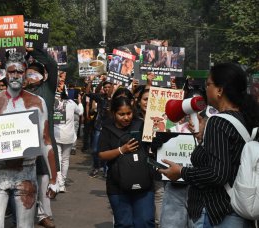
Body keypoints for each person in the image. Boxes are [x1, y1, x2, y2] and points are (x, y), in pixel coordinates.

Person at [160, 63, 259, 227]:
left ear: (220, 90)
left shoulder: (218, 121)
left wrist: (181, 171)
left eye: (208, 84)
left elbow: (217, 173)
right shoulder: (245, 117)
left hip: (218, 213)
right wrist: (203, 139)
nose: (206, 89)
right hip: (239, 209)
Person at [0, 52, 55, 228]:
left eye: (20, 72)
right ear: (5, 74)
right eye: (11, 71)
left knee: (24, 225)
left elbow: (46, 141)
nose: (15, 75)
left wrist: (54, 178)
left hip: (26, 172)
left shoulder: (37, 103)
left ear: (26, 75)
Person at [99, 96, 155, 228]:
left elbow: (153, 145)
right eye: (121, 114)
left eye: (128, 113)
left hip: (144, 183)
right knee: (124, 223)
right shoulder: (107, 129)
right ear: (113, 113)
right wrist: (122, 150)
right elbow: (102, 154)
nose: (126, 118)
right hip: (117, 186)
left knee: (145, 221)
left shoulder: (141, 125)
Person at [24, 47, 59, 228]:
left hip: (45, 145)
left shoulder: (47, 90)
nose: (31, 76)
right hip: (24, 145)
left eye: (35, 73)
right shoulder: (20, 92)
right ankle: (27, 214)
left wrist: (33, 50)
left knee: (45, 178)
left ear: (43, 77)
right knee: (26, 182)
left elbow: (52, 65)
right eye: (28, 73)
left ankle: (45, 214)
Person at [54, 84, 84, 192]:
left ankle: (60, 182)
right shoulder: (72, 103)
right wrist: (80, 101)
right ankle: (62, 183)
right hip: (68, 136)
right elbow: (80, 112)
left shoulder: (53, 103)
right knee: (65, 159)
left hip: (56, 135)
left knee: (58, 158)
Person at [86, 76, 113, 177]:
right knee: (95, 150)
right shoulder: (101, 97)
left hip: (110, 128)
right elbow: (88, 93)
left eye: (109, 87)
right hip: (99, 126)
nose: (107, 89)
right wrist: (91, 81)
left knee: (108, 150)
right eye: (105, 87)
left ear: (112, 88)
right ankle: (96, 167)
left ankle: (106, 169)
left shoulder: (116, 98)